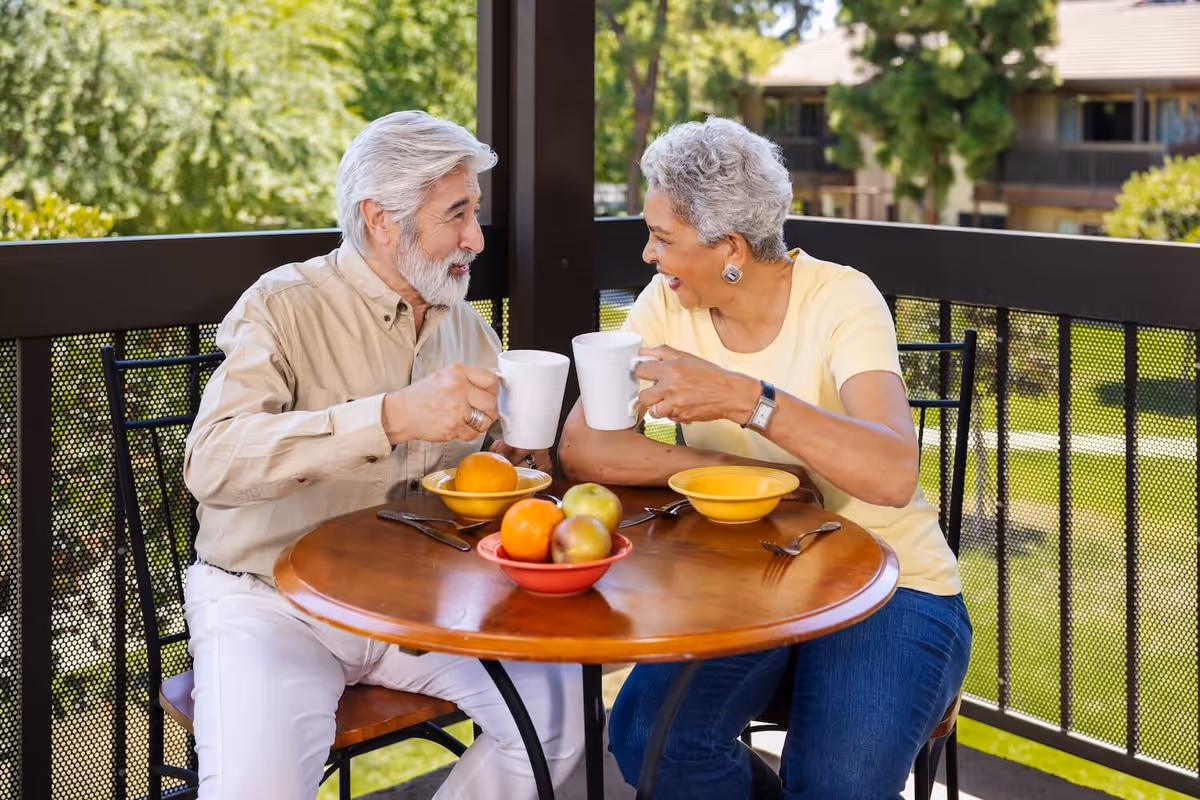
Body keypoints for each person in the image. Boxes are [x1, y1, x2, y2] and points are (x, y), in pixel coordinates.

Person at [557, 117, 971, 799]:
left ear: (730, 248)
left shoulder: (841, 298)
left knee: (836, 785)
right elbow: (585, 444)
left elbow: (894, 473)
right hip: (742, 581)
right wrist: (751, 477)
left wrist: (747, 400)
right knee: (649, 741)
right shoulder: (666, 305)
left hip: (890, 585)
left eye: (663, 238)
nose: (646, 255)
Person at [183, 111, 581, 800]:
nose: (476, 239)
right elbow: (212, 462)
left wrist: (510, 462)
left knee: (562, 720)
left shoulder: (471, 332)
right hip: (270, 600)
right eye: (456, 215)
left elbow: (476, 478)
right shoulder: (283, 306)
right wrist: (390, 417)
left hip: (419, 601)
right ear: (381, 220)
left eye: (475, 213)